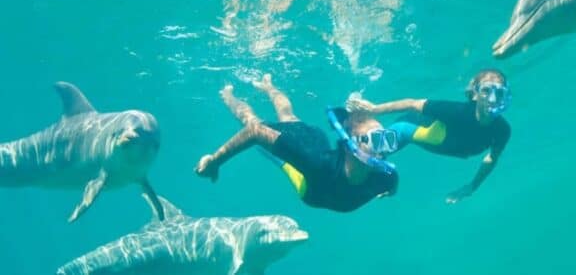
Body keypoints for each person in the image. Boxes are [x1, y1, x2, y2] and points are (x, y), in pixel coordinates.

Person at [195, 74, 399, 213]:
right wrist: (215, 161)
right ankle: (228, 95)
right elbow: (254, 133)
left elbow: (392, 183)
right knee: (252, 121)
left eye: (386, 139)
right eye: (373, 139)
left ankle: (268, 86)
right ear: (349, 144)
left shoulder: (386, 177)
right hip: (310, 177)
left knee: (287, 115)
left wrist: (391, 191)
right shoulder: (316, 162)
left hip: (315, 146)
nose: (381, 149)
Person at [347, 69, 511, 204]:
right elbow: (413, 104)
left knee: (377, 156)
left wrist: (472, 186)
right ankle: (357, 120)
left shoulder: (502, 130)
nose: (493, 98)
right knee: (372, 150)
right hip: (411, 128)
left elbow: (492, 158)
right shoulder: (456, 112)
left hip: (444, 142)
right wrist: (375, 109)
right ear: (475, 94)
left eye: (499, 92)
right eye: (486, 90)